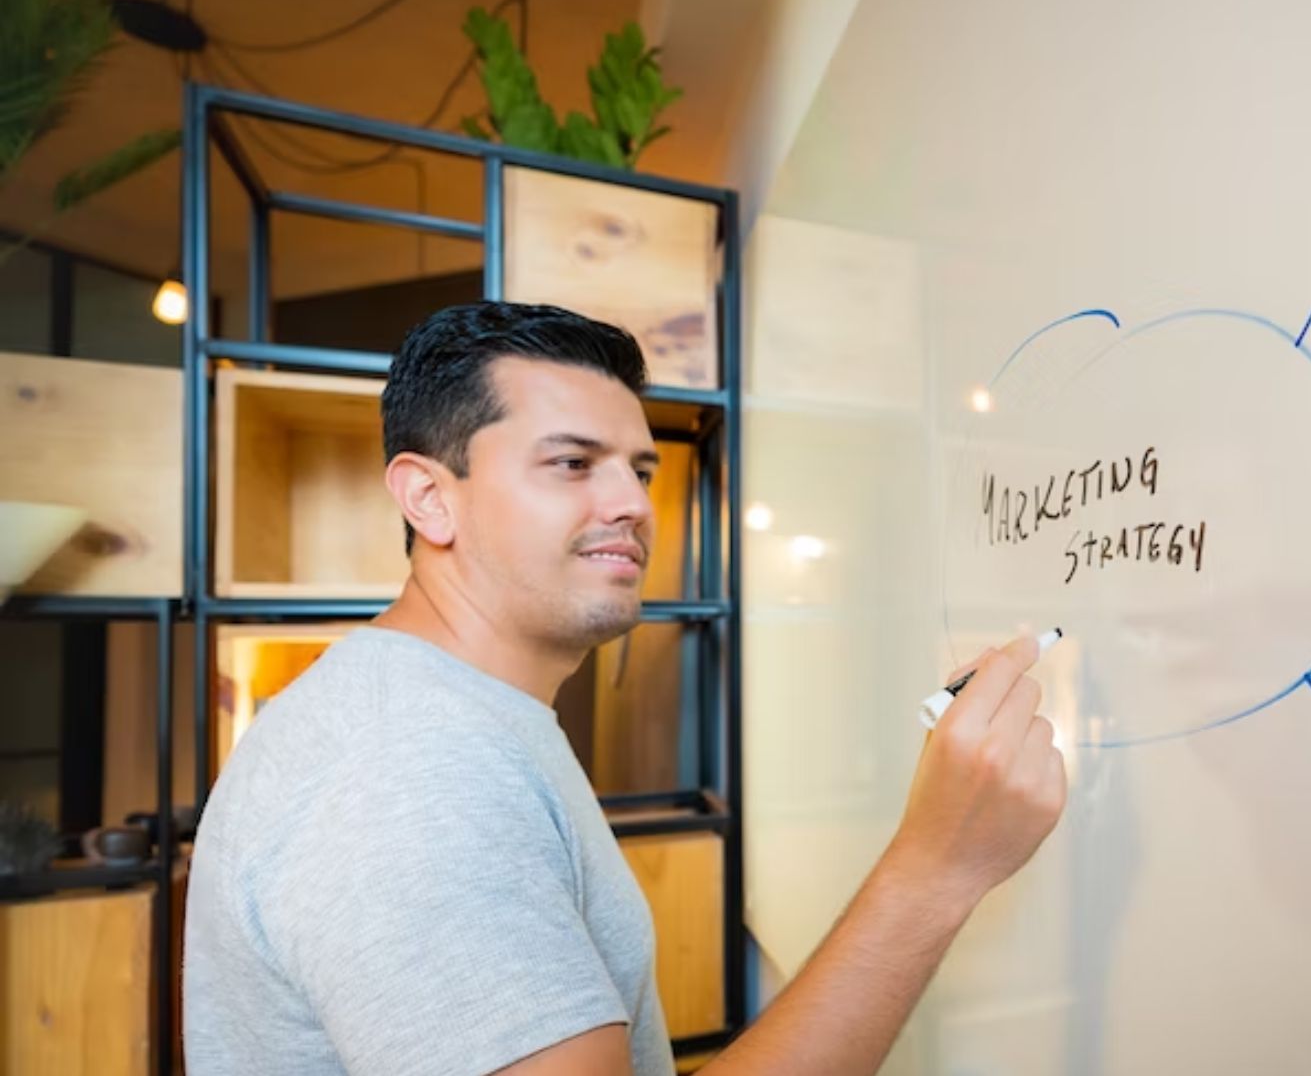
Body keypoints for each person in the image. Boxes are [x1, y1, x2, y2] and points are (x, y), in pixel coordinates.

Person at [183, 301, 1068, 1075]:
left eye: (639, 471)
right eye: (572, 463)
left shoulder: (446, 717)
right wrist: (936, 869)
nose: (634, 504)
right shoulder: (408, 771)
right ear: (428, 498)